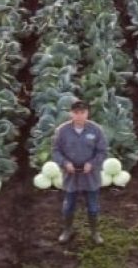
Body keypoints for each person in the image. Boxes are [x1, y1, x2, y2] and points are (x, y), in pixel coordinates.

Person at [50, 99, 108, 244]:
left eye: (83, 112)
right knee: (69, 205)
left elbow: (102, 152)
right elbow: (56, 151)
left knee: (93, 207)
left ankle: (95, 232)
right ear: (71, 114)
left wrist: (92, 163)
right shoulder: (62, 131)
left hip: (91, 175)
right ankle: (67, 230)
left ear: (87, 113)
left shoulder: (96, 130)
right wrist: (65, 163)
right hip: (71, 175)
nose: (80, 116)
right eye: (76, 113)